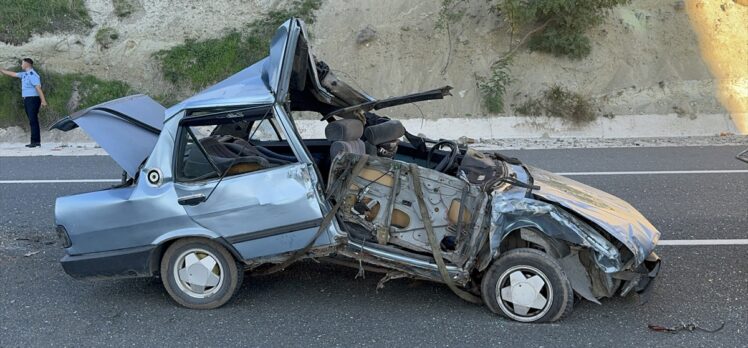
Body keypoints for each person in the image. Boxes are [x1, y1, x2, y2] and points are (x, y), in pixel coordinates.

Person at [1, 58, 48, 147]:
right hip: (28, 100)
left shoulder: (32, 74)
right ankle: (34, 142)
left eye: (22, 63)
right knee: (32, 120)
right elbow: (13, 74)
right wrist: (2, 70)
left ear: (27, 64)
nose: (21, 65)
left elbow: (38, 88)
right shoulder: (25, 74)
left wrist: (43, 101)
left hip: (33, 99)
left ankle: (35, 142)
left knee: (33, 120)